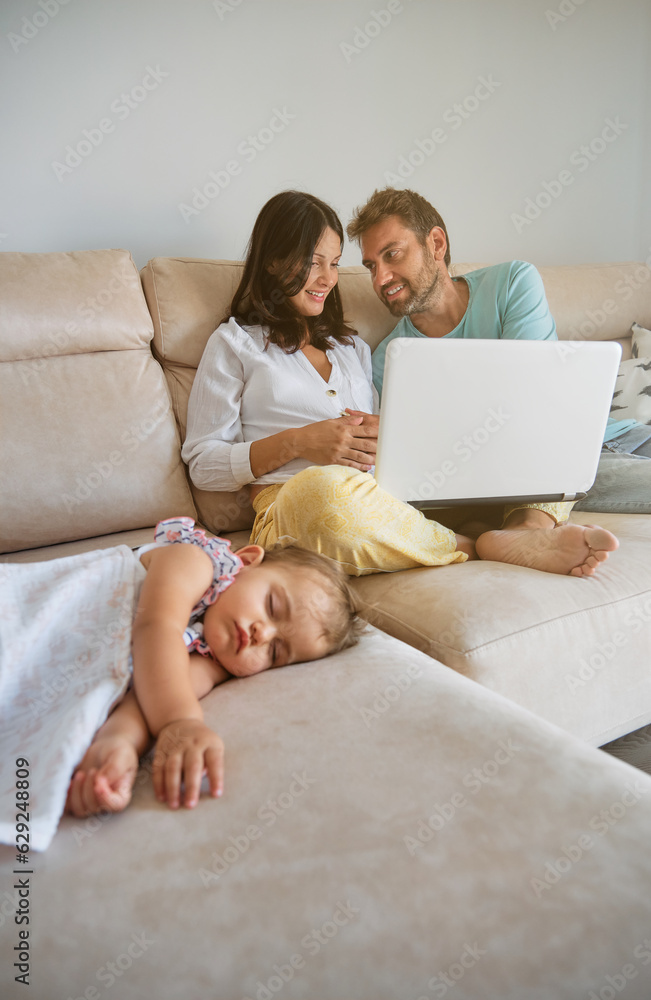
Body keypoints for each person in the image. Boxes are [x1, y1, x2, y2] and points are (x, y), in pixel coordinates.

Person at [182, 190, 618, 581]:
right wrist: (299, 443)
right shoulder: (235, 345)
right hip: (296, 502)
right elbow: (202, 464)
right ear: (274, 260)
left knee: (556, 445)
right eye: (313, 261)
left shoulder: (351, 348)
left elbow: (393, 449)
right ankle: (476, 545)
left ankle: (521, 531)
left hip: (387, 501)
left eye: (334, 264)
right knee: (322, 493)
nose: (327, 278)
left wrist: (384, 435)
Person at [346, 186, 651, 518]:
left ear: (436, 243)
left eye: (392, 254)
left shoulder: (511, 284)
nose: (380, 279)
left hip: (605, 436)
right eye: (371, 266)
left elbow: (535, 400)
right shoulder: (387, 359)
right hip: (536, 470)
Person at [60, 517, 361, 819]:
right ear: (244, 562)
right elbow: (156, 628)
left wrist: (119, 743)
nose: (263, 634)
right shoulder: (195, 561)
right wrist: (180, 722)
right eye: (272, 606)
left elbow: (152, 693)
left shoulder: (212, 660)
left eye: (276, 651)